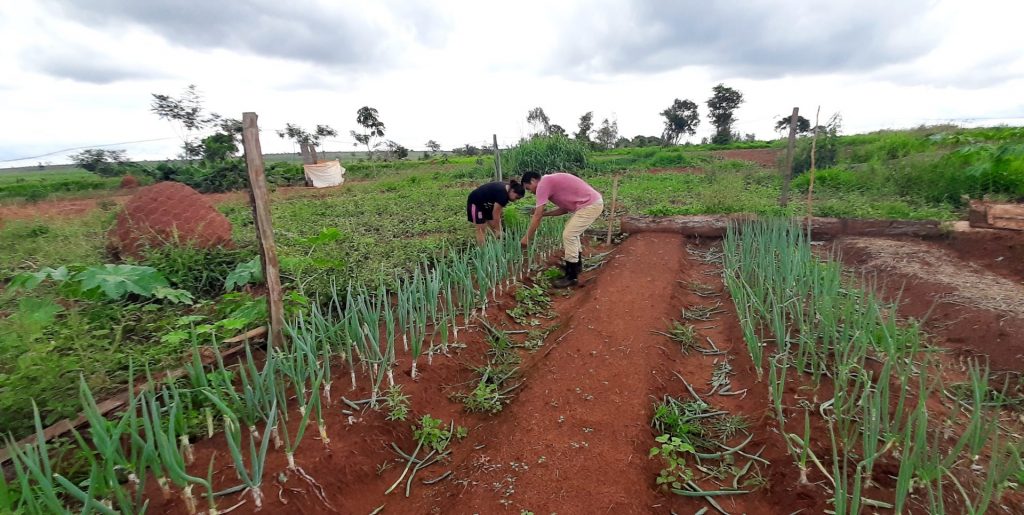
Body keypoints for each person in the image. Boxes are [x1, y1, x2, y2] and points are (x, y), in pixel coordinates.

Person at [519, 171, 603, 287]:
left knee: (569, 234)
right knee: (571, 231)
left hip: (590, 205)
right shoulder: (550, 182)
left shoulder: (543, 184)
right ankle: (576, 266)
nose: (531, 192)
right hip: (590, 204)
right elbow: (564, 209)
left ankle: (571, 276)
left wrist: (526, 237)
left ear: (533, 180)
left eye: (529, 188)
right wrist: (545, 214)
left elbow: (537, 215)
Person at [466, 179, 525, 245]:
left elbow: (497, 214)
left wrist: (498, 228)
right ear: (512, 191)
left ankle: (496, 247)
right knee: (481, 228)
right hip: (476, 202)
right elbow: (496, 213)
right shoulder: (503, 195)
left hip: (487, 203)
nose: (515, 200)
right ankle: (483, 251)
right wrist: (498, 229)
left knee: (494, 227)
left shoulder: (508, 189)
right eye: (516, 197)